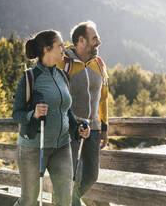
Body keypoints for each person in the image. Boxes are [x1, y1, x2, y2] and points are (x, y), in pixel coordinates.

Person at [12, 30, 90, 206]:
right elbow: (16, 114)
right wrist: (34, 114)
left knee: (65, 199)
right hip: (33, 147)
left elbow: (65, 110)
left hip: (62, 146)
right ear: (47, 49)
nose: (64, 49)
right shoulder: (30, 78)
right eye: (60, 46)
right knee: (29, 200)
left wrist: (78, 127)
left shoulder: (62, 76)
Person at [57, 21, 109, 206]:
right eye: (94, 38)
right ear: (81, 41)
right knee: (68, 175)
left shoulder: (100, 64)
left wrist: (104, 127)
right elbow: (58, 96)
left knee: (92, 175)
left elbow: (103, 98)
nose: (99, 42)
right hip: (69, 129)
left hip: (93, 129)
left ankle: (71, 199)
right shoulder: (64, 62)